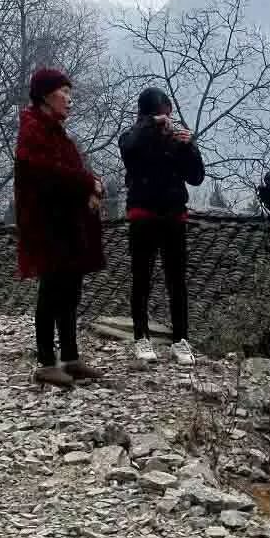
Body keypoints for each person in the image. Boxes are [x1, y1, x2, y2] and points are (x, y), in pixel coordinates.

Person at [14, 67, 105, 388]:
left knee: (70, 290)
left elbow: (72, 172)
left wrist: (92, 189)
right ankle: (45, 362)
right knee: (52, 290)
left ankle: (70, 357)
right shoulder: (33, 130)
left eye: (70, 93)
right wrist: (87, 183)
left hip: (67, 224)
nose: (69, 99)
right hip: (46, 225)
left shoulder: (58, 132)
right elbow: (50, 173)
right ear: (45, 95)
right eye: (63, 92)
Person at [119, 87, 205, 365]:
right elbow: (129, 150)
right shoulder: (133, 137)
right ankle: (141, 337)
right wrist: (149, 125)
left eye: (167, 114)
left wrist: (189, 146)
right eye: (161, 114)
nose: (167, 119)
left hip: (173, 215)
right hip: (143, 214)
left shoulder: (176, 141)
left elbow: (196, 177)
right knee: (141, 278)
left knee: (177, 281)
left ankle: (181, 340)